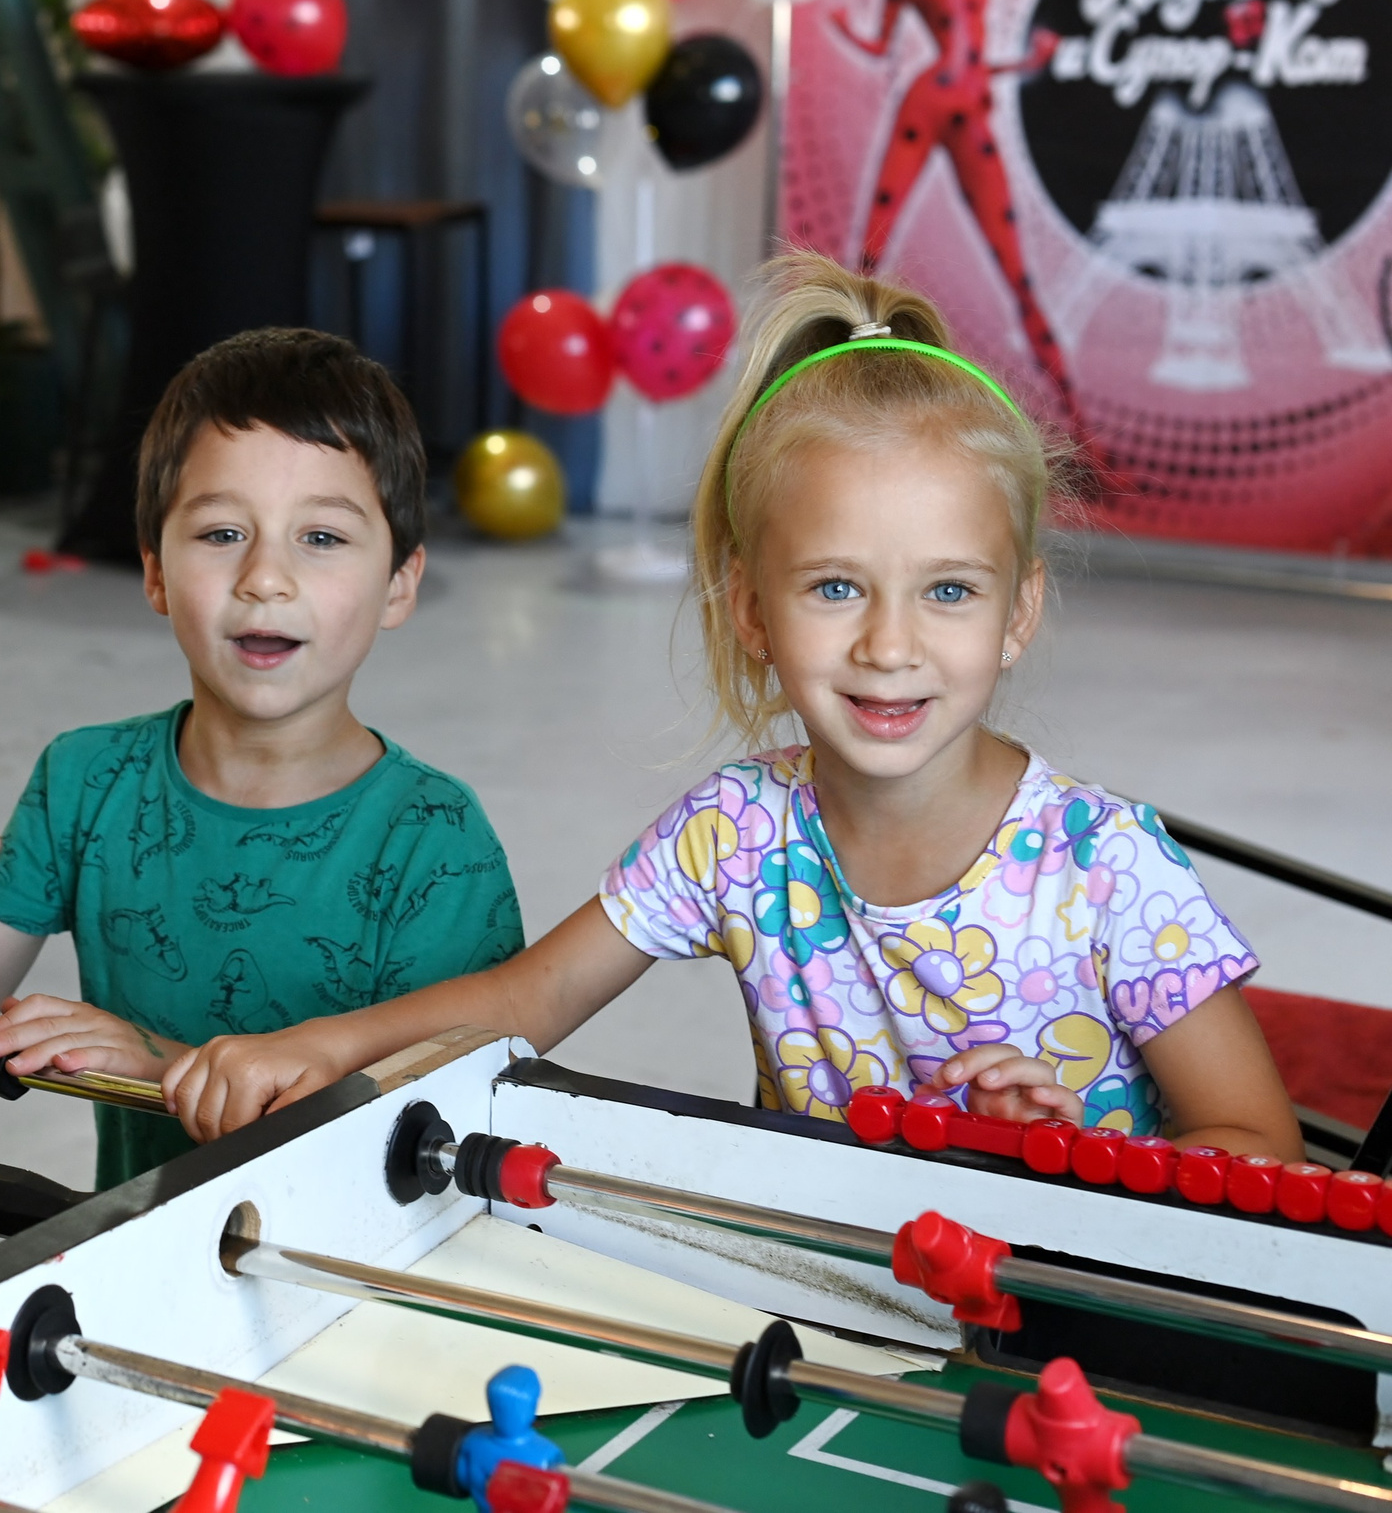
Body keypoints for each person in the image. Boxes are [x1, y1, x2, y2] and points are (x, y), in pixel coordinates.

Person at [165, 255, 1302, 1164]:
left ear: (1019, 612)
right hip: (831, 1305)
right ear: (752, 610)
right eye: (835, 588)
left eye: (948, 591)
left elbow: (1261, 1145)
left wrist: (1071, 1166)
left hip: (1069, 1325)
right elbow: (526, 996)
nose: (889, 645)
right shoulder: (737, 832)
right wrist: (318, 1047)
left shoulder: (1109, 868)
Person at [0, 329, 525, 1187]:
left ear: (399, 581)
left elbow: (442, 1143)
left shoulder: (434, 839)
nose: (265, 577)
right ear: (155, 572)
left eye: (322, 537)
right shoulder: (87, 780)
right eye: (221, 532)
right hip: (144, 1249)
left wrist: (162, 1065)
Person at [831, 0, 1082, 439]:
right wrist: (844, 27)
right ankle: (833, 392)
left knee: (1016, 268)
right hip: (926, 107)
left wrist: (1027, 63)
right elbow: (881, 43)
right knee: (870, 253)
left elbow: (974, 62)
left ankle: (1077, 424)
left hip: (971, 111)